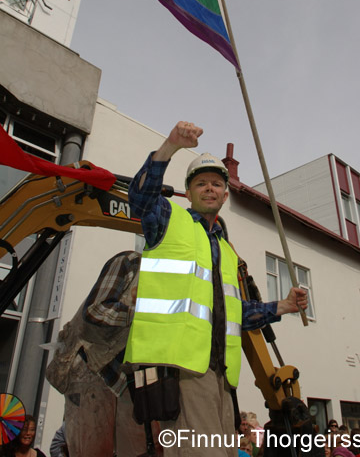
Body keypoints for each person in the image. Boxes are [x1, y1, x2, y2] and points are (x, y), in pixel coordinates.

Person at [124, 121, 308, 457]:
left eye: (217, 184)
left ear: (225, 195)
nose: (210, 188)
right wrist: (170, 146)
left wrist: (282, 306)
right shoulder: (167, 221)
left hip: (221, 376)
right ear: (189, 192)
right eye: (201, 183)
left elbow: (234, 314)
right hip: (182, 370)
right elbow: (139, 197)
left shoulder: (226, 252)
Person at [46, 250, 155, 457]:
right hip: (91, 372)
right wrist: (147, 313)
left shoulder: (173, 278)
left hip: (127, 381)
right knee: (92, 450)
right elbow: (96, 310)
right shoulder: (130, 263)